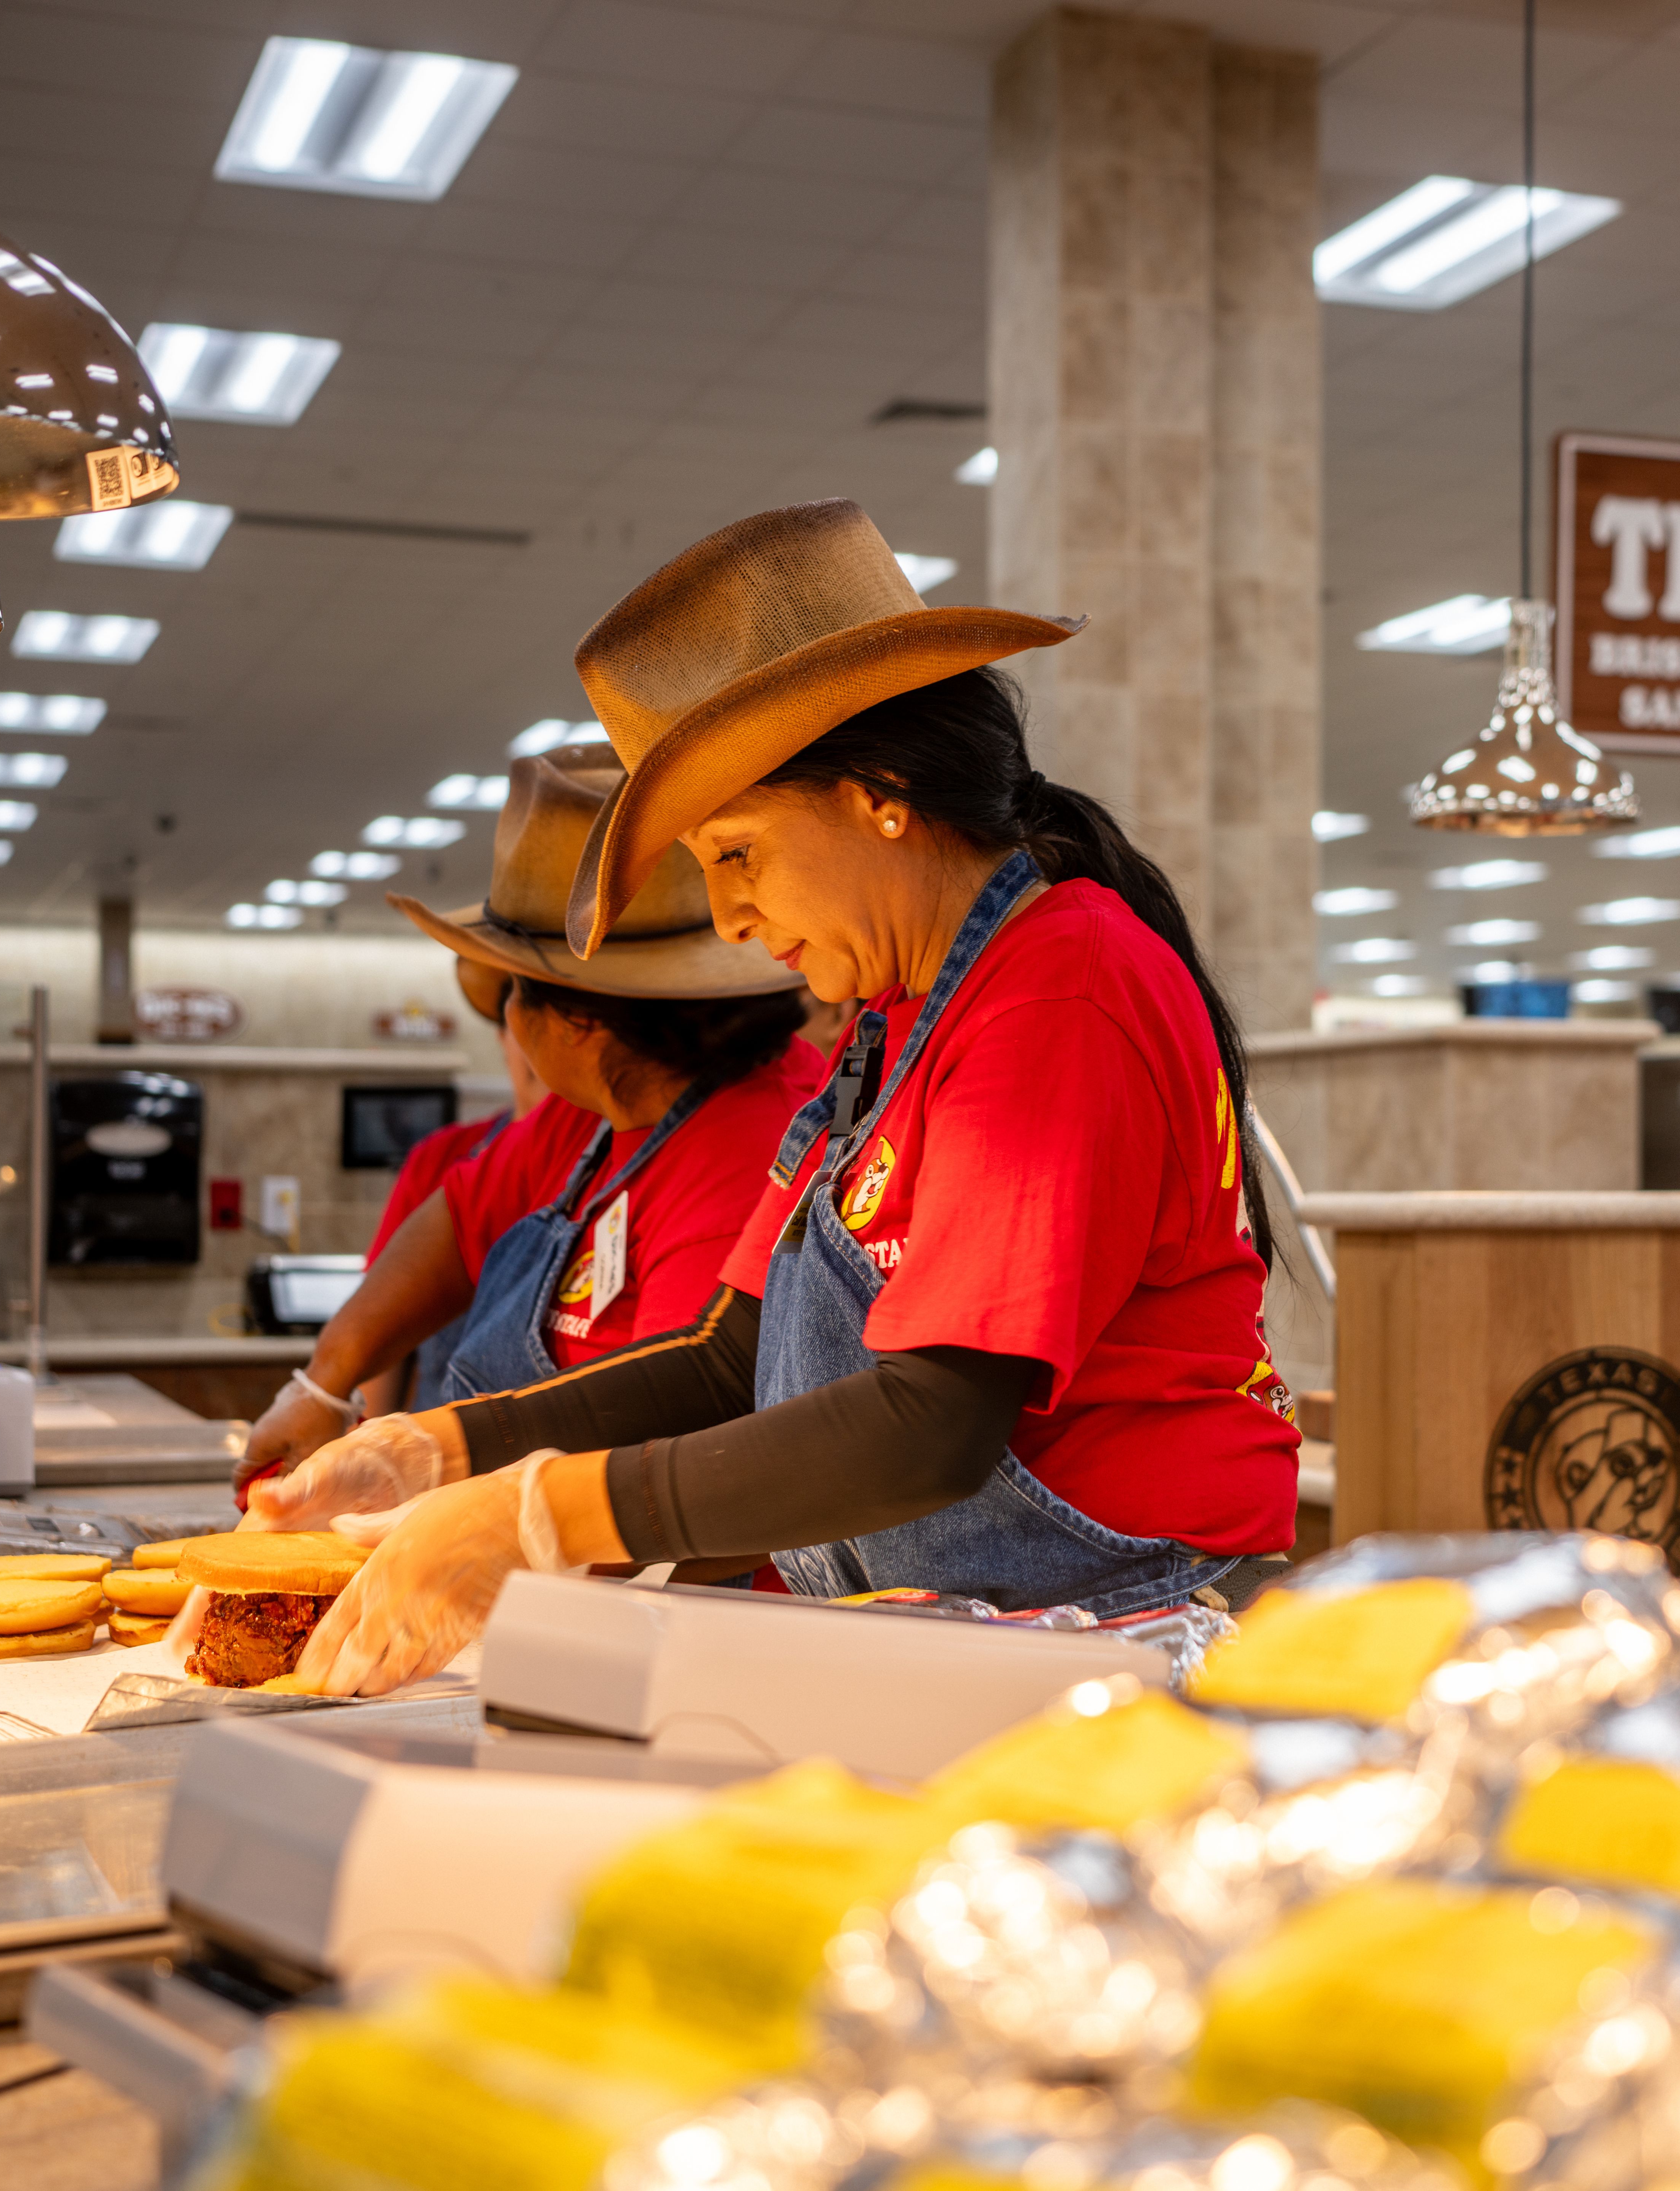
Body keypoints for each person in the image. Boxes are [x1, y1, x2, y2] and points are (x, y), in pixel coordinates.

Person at [245, 499, 1302, 1693]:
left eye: (735, 851)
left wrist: (543, 1517)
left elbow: (934, 1421)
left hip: (1111, 1633)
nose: (734, 920)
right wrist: (441, 1447)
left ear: (881, 791)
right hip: (958, 1623)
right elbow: (731, 1355)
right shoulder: (895, 1021)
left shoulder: (1059, 989)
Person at [228, 747, 818, 1499]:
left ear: (574, 1019)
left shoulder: (744, 1154)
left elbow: (678, 1445)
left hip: (667, 1593)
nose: (505, 1020)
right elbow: (456, 1222)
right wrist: (323, 1383)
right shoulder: (592, 1116)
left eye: (511, 993)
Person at [348, 972, 562, 1419]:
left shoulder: (615, 1157)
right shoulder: (439, 1160)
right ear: (505, 1034)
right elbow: (383, 1329)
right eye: (526, 1019)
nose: (542, 1043)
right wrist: (363, 1442)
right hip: (433, 1452)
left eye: (563, 1019)